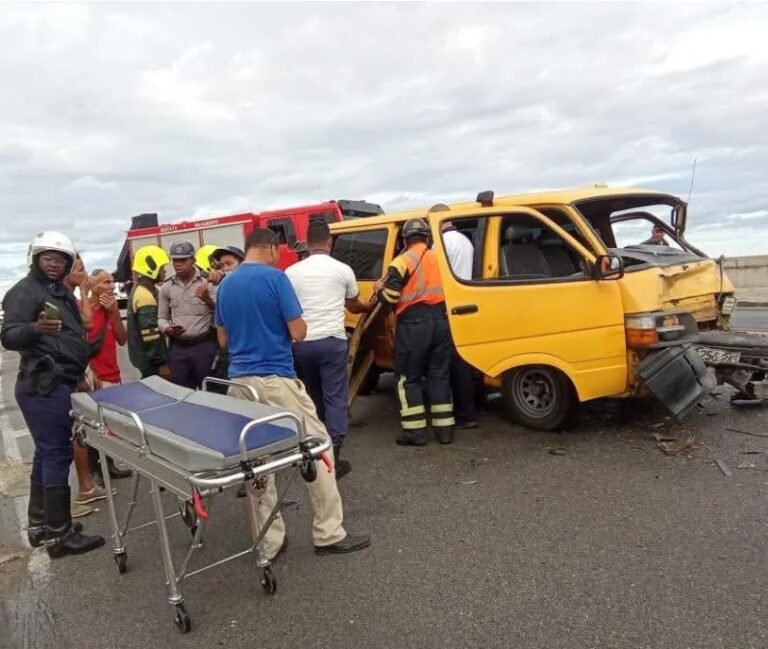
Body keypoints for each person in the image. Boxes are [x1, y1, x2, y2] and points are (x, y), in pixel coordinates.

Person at [215, 228, 370, 557]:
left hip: (239, 383)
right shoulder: (275, 279)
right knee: (318, 446)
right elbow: (298, 332)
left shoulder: (226, 284)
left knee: (257, 463)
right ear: (271, 248)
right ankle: (328, 532)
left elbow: (222, 340)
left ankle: (270, 542)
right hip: (276, 378)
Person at [0, 231, 105, 557]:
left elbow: (75, 333)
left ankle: (41, 525)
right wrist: (35, 329)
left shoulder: (56, 291)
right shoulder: (25, 291)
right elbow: (8, 335)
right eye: (48, 258)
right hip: (43, 385)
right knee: (57, 453)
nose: (54, 264)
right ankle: (59, 536)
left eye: (60, 259)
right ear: (35, 258)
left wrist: (81, 370)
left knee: (47, 454)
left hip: (59, 382)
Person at [286, 221, 375, 479]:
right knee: (335, 396)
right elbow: (354, 305)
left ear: (307, 241)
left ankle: (313, 446)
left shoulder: (291, 272)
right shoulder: (343, 270)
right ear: (329, 242)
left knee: (310, 396)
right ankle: (333, 450)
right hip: (332, 342)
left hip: (301, 344)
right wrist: (370, 305)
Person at [374, 217, 455, 446]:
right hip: (440, 323)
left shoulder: (401, 262)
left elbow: (390, 299)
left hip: (413, 325)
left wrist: (379, 290)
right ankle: (445, 430)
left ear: (405, 239)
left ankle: (415, 432)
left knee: (408, 379)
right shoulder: (440, 259)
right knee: (439, 376)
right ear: (427, 237)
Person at [63, 256, 112, 518]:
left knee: (82, 430)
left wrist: (83, 290)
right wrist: (86, 291)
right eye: (80, 270)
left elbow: (89, 324)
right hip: (68, 374)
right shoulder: (63, 298)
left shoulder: (72, 296)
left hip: (80, 369)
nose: (85, 274)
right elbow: (87, 324)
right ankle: (82, 490)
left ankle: (87, 486)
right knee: (74, 433)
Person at [85, 268, 132, 486]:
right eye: (105, 282)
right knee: (93, 425)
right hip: (94, 377)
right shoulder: (82, 310)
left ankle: (109, 464)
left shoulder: (110, 309)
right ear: (92, 286)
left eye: (112, 282)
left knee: (109, 424)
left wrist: (114, 313)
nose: (111, 286)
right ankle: (95, 470)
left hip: (113, 374)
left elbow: (122, 340)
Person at [158, 241, 217, 389]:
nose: (178, 264)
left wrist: (207, 299)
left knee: (209, 393)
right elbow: (161, 318)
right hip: (179, 349)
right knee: (182, 394)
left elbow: (222, 313)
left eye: (183, 260)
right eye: (175, 260)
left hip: (203, 347)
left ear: (193, 260)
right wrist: (167, 329)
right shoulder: (166, 287)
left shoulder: (207, 283)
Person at [439, 219, 478, 429]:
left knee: (445, 365)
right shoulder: (465, 240)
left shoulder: (441, 242)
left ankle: (459, 413)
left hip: (446, 309)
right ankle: (469, 411)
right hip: (466, 304)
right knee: (463, 361)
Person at [126, 245, 172, 380]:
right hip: (152, 363)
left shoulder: (141, 289)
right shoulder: (144, 296)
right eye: (161, 268)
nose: (164, 272)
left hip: (146, 359)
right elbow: (151, 335)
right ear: (151, 267)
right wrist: (161, 363)